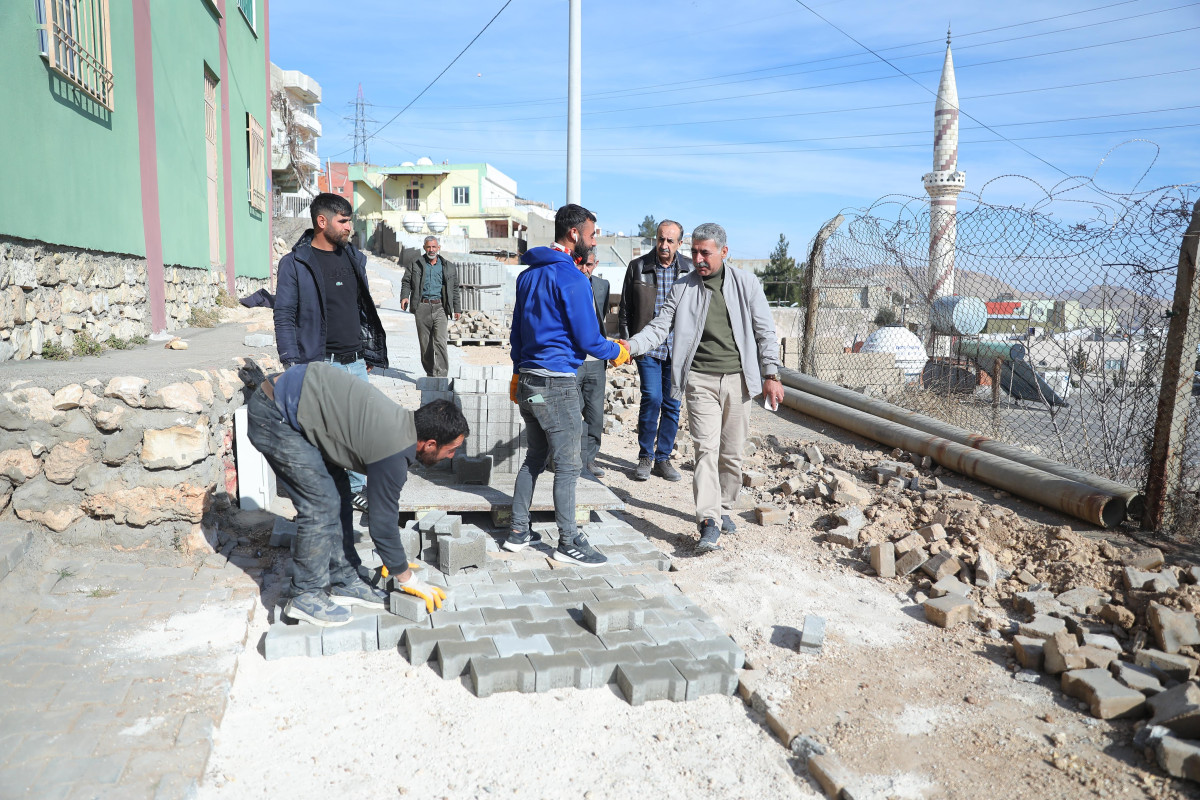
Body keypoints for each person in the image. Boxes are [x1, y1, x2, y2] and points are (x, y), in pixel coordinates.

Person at [247, 361, 468, 626]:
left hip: (299, 404)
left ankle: (344, 580)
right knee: (320, 505)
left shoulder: (403, 426)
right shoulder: (393, 451)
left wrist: (394, 560)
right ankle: (305, 594)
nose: (451, 456)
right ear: (430, 444)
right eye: (450, 450)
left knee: (338, 492)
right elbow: (382, 524)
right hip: (275, 414)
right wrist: (406, 576)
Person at [622, 223, 784, 554]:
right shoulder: (683, 288)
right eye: (694, 252)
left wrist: (771, 374)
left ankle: (723, 508)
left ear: (724, 252)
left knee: (732, 453)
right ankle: (708, 520)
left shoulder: (746, 284)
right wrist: (630, 346)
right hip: (699, 381)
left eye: (704, 252)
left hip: (738, 382)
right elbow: (658, 328)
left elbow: (765, 332)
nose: (697, 259)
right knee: (706, 450)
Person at [505, 204, 629, 566]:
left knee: (534, 457)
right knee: (569, 466)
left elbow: (517, 334)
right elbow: (590, 339)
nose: (594, 243)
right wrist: (617, 351)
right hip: (556, 384)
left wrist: (517, 373)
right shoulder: (573, 278)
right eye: (592, 235)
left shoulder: (527, 276)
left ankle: (517, 531)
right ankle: (569, 540)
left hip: (529, 381)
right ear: (574, 234)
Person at [274, 192, 388, 514]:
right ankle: (325, 496)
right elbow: (284, 315)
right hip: (321, 362)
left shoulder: (354, 258)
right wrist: (292, 363)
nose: (349, 227)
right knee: (325, 433)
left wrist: (367, 355)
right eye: (344, 221)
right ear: (322, 222)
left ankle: (355, 488)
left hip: (355, 361)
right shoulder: (296, 264)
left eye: (350, 220)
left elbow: (360, 308)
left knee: (359, 428)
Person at [619, 220, 692, 483]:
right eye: (661, 239)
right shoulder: (638, 267)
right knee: (652, 397)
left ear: (679, 244)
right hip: (648, 346)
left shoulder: (689, 271)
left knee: (672, 403)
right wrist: (628, 345)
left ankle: (663, 458)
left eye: (670, 241)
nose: (664, 245)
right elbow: (625, 310)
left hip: (678, 350)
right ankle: (645, 456)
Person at [400, 236, 461, 378]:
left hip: (440, 307)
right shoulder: (416, 264)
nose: (431, 250)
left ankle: (441, 376)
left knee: (440, 342)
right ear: (424, 248)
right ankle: (430, 373)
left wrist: (457, 308)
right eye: (429, 247)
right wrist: (404, 297)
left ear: (438, 248)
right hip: (422, 307)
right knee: (425, 345)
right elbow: (406, 282)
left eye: (434, 247)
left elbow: (455, 289)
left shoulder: (448, 266)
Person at [576, 250, 610, 478]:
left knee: (595, 416)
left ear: (595, 264)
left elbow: (602, 315)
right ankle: (568, 461)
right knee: (571, 414)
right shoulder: (567, 283)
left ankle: (589, 461)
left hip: (596, 361)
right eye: (581, 264)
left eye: (589, 265)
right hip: (573, 360)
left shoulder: (602, 285)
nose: (584, 270)